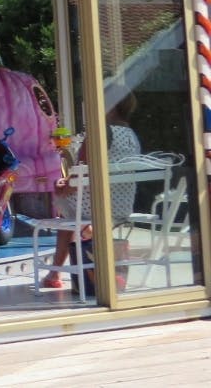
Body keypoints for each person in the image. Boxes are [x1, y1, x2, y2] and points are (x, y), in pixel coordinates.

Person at [42, 92, 141, 290]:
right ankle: (87, 231)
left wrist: (63, 186)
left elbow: (81, 170)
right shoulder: (132, 135)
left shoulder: (100, 132)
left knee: (63, 206)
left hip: (97, 203)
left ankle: (56, 272)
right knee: (70, 209)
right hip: (122, 204)